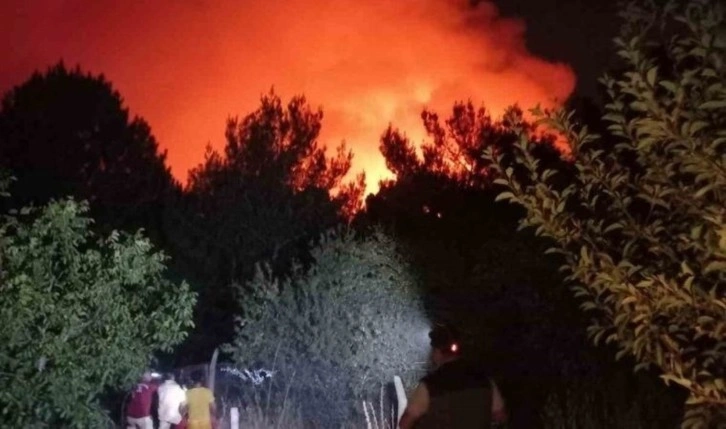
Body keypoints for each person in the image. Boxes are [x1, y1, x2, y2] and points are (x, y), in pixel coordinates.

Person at [399, 324, 507, 428]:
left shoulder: (430, 385)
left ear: (437, 352)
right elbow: (500, 416)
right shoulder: (484, 380)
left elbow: (406, 422)